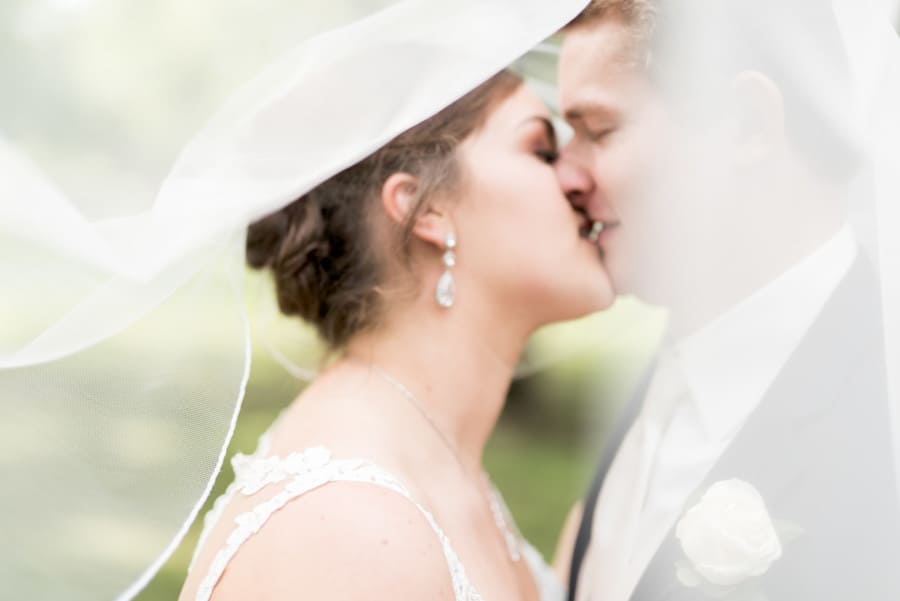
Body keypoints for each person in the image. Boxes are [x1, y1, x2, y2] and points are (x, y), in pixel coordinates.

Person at [179, 63, 614, 600]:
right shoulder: (352, 528)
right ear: (424, 209)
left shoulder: (434, 457)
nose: (577, 177)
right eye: (541, 150)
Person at [555, 1, 900, 600]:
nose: (566, 176)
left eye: (600, 131)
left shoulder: (880, 418)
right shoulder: (655, 384)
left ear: (748, 126)